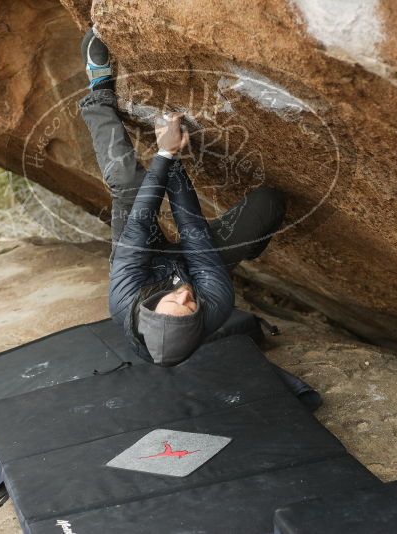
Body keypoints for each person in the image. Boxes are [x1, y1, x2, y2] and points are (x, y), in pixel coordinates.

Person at [78, 28, 286, 366]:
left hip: (144, 251)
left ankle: (98, 88)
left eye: (174, 301)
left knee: (128, 184)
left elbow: (140, 224)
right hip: (199, 260)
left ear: (149, 309)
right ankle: (250, 245)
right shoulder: (216, 306)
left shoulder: (124, 299)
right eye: (190, 306)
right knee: (269, 203)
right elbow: (194, 233)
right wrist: (173, 161)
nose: (186, 294)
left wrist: (166, 154)